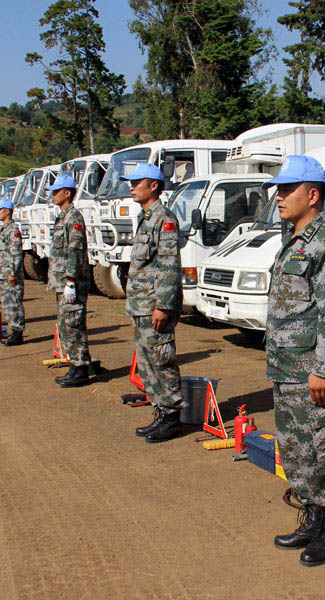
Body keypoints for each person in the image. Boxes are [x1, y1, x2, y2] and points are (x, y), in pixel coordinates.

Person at [263, 155, 325, 567]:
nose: (279, 197)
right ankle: (313, 516)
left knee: (322, 447)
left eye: (287, 190)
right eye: (279, 190)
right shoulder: (295, 241)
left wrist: (323, 368)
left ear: (313, 194)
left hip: (312, 372)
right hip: (287, 370)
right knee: (297, 449)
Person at [122, 163, 185, 443]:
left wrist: (163, 305)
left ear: (154, 186)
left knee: (161, 360)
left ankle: (172, 416)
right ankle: (161, 411)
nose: (131, 187)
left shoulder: (164, 218)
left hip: (154, 305)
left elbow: (169, 265)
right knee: (147, 361)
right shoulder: (146, 217)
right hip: (141, 304)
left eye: (137, 182)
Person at [47, 174, 92, 387]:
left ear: (67, 193)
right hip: (62, 281)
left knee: (74, 324)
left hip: (70, 281)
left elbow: (75, 251)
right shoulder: (62, 217)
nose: (53, 195)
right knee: (66, 325)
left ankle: (81, 367)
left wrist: (71, 280)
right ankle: (74, 365)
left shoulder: (73, 217)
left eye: (56, 191)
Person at [0, 199, 24, 346]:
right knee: (7, 304)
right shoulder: (5, 229)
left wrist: (12, 272)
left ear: (7, 211)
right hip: (4, 273)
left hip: (10, 273)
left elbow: (16, 253)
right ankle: (13, 330)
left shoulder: (13, 230)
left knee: (14, 303)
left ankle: (17, 333)